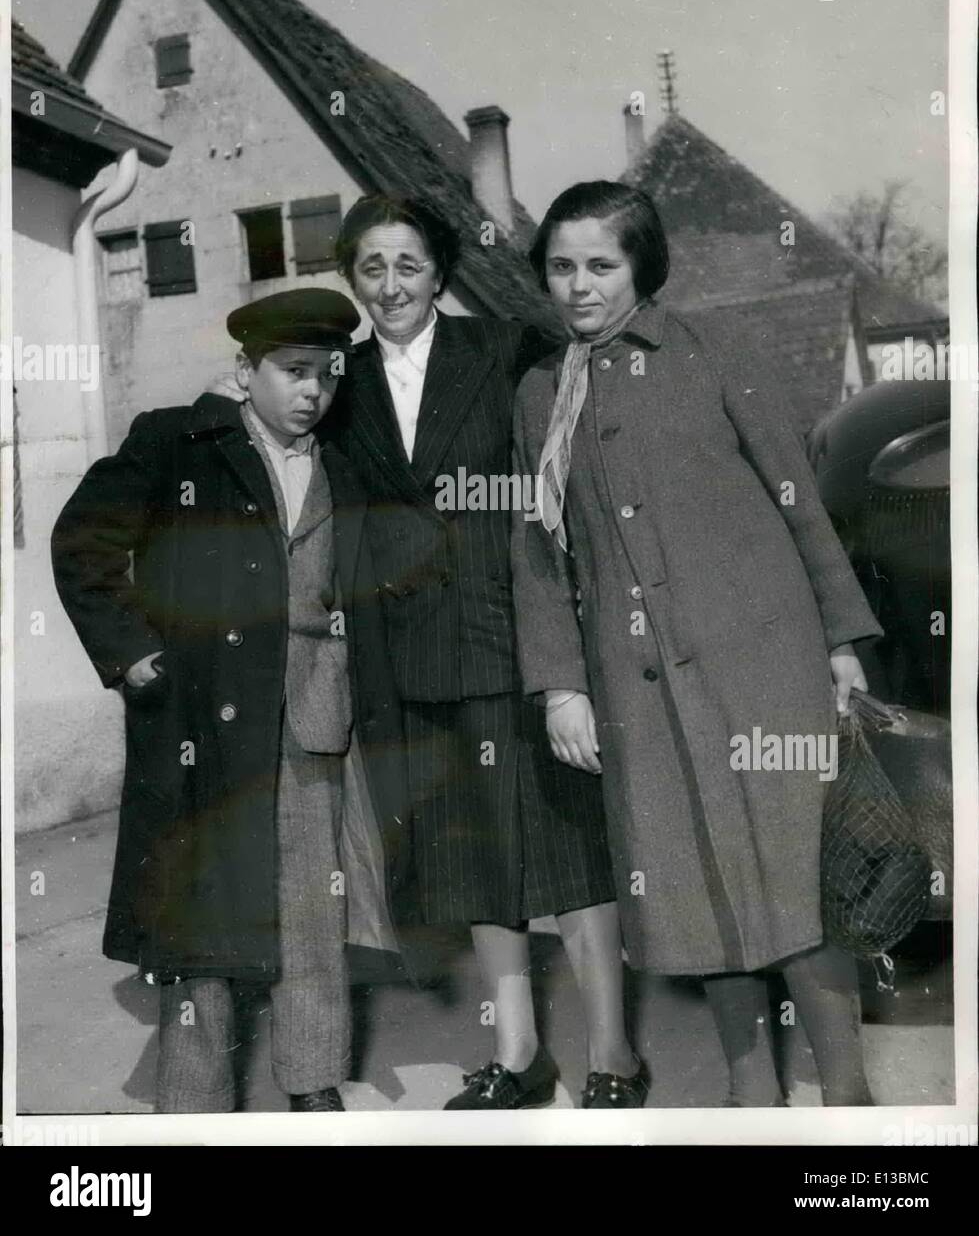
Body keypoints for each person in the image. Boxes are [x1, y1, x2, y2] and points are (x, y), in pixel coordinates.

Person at [511, 181, 885, 1107]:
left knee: (799, 876)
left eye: (600, 265)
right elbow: (535, 555)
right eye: (561, 267)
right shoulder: (538, 394)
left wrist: (841, 640)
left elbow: (801, 502)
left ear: (641, 265)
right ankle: (748, 1096)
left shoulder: (719, 350)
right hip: (637, 691)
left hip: (764, 669)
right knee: (693, 887)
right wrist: (560, 685)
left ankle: (846, 1096)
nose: (578, 286)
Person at [51, 288, 406, 1113]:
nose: (313, 390)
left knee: (313, 908)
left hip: (313, 718)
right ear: (245, 372)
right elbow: (84, 543)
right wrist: (130, 649)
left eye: (327, 374)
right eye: (292, 372)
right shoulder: (178, 442)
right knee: (200, 917)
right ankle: (194, 1095)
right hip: (200, 725)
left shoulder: (346, 462)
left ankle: (311, 1079)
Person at [329, 193, 643, 1108]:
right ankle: (518, 1056)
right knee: (474, 861)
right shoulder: (335, 381)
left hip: (521, 644)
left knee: (569, 858)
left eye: (410, 266)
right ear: (351, 276)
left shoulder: (505, 351)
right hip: (411, 663)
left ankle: (613, 1055)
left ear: (442, 274)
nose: (390, 286)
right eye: (372, 268)